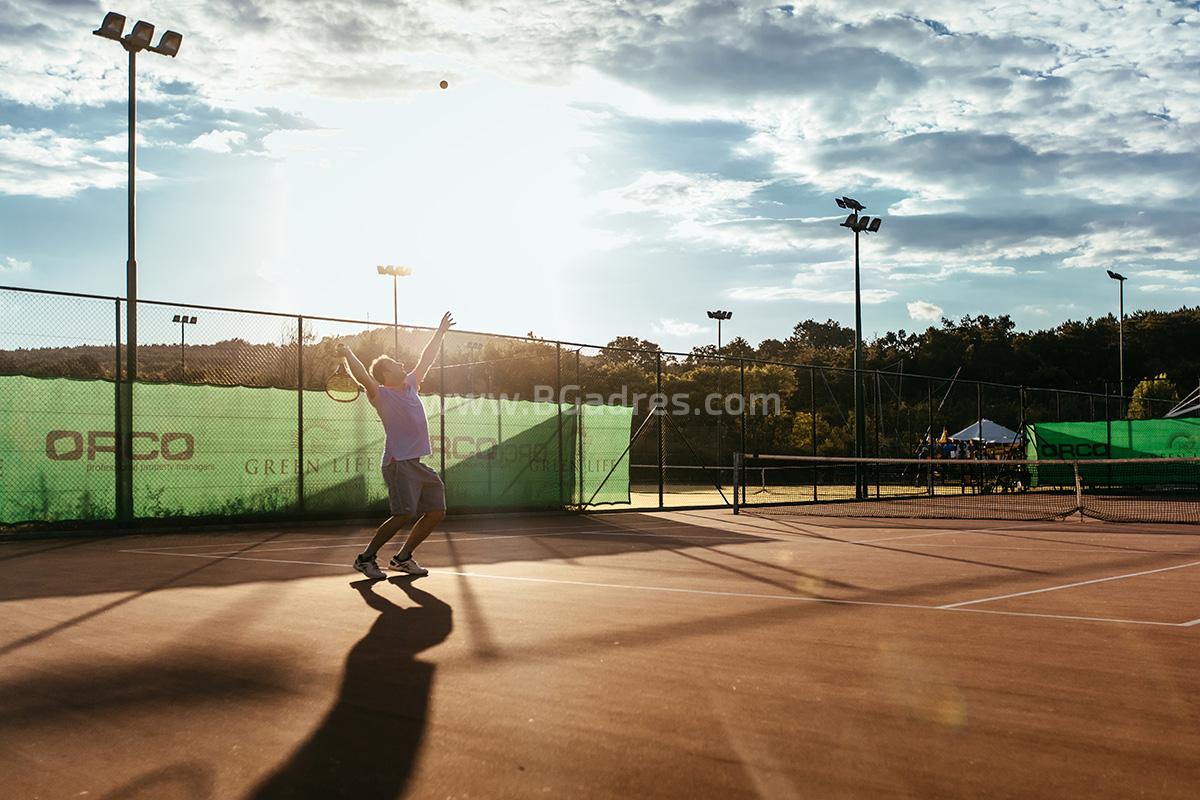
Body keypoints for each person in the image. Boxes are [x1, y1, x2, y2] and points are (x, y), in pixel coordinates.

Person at [337, 311, 454, 580]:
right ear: (386, 373)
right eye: (395, 363)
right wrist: (348, 354)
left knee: (436, 511)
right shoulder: (380, 394)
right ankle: (365, 558)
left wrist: (440, 332)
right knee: (403, 514)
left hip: (417, 464)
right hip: (397, 463)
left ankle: (402, 558)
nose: (402, 363)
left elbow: (426, 358)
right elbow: (363, 376)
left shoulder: (411, 384)